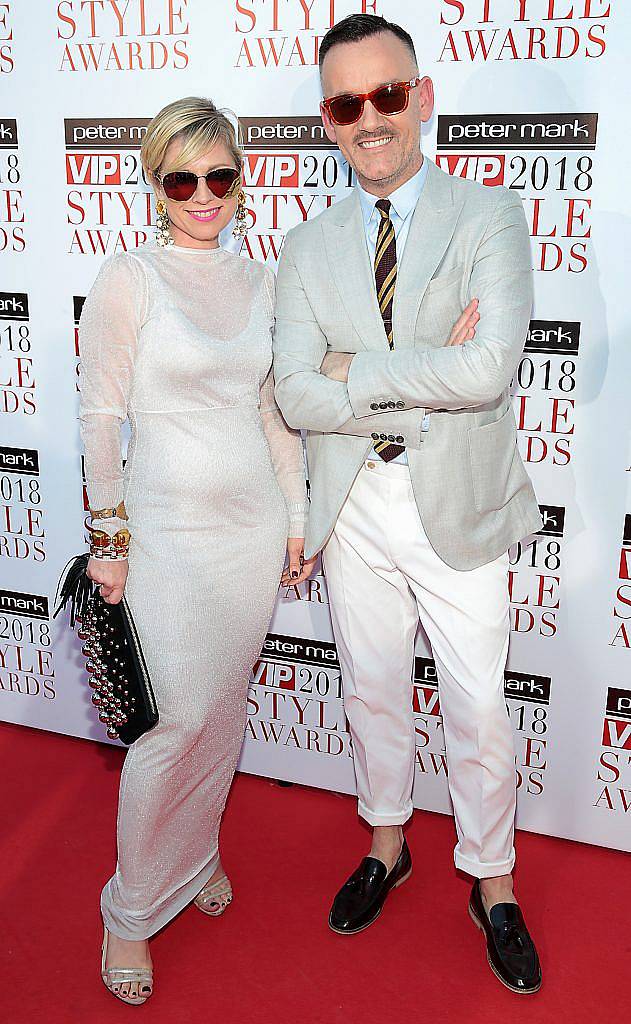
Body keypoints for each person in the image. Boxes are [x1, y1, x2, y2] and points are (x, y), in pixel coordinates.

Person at [273, 14, 542, 994]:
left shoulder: (488, 217)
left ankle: (493, 880)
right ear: (327, 121)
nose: (370, 119)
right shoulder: (305, 247)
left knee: (477, 708)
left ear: (421, 98)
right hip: (351, 501)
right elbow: (295, 391)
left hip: (457, 501)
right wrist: (401, 372)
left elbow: (486, 368)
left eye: (388, 94)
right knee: (371, 687)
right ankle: (387, 842)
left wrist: (353, 368)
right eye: (348, 104)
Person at [79, 96, 312, 1005]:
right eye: (183, 178)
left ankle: (195, 857)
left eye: (220, 174)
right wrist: (109, 538)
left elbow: (269, 410)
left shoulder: (259, 283)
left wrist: (297, 517)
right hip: (166, 536)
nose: (203, 194)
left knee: (220, 715)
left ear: (240, 178)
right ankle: (129, 910)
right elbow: (101, 415)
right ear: (156, 184)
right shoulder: (129, 277)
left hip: (250, 530)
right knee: (170, 725)